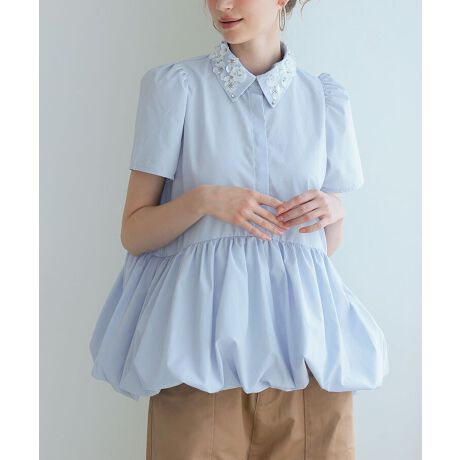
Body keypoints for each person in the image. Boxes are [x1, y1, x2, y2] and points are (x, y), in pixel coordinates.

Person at [89, 1, 390, 458]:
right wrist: (204, 200)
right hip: (201, 355)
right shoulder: (177, 87)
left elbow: (323, 250)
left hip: (307, 358)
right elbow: (134, 232)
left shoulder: (324, 99)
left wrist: (334, 210)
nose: (221, 5)